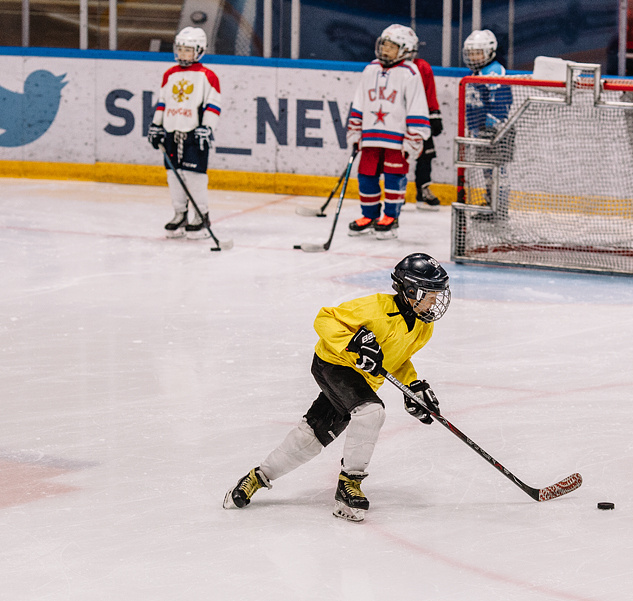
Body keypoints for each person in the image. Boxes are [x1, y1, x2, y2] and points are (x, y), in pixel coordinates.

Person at [223, 253, 451, 522]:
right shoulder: (375, 308)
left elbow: (396, 358)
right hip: (333, 364)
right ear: (411, 290)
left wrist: (412, 386)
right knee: (371, 411)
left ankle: (257, 477)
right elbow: (324, 319)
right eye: (430, 293)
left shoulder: (423, 328)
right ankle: (349, 485)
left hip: (361, 379)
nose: (435, 300)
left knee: (311, 436)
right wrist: (355, 340)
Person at [345, 25, 432, 239]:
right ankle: (369, 215)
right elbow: (359, 102)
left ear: (405, 50)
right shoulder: (370, 69)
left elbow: (417, 107)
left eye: (391, 47)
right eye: (383, 45)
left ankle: (390, 218)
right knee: (366, 177)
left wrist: (414, 138)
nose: (385, 50)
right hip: (371, 137)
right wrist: (355, 131)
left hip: (397, 139)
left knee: (394, 178)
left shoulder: (410, 73)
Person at [147, 27, 221, 238]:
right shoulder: (169, 74)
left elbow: (213, 105)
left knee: (194, 176)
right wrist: (156, 125)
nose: (182, 54)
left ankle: (201, 216)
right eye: (180, 49)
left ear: (199, 51)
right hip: (171, 133)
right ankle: (180, 213)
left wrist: (206, 128)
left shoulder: (208, 76)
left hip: (193, 135)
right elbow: (163, 102)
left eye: (187, 50)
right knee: (173, 175)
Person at [462, 29, 514, 221]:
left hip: (496, 132)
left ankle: (499, 208)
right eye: (471, 53)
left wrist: (491, 126)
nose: (474, 57)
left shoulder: (494, 71)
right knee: (488, 171)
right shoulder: (475, 72)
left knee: (497, 172)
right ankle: (490, 204)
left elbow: (501, 102)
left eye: (478, 53)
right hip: (482, 131)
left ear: (490, 52)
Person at [410, 43, 443, 211]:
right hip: (395, 119)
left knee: (426, 155)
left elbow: (429, 92)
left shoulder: (422, 66)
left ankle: (423, 190)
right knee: (394, 157)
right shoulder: (387, 69)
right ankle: (394, 192)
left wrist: (434, 114)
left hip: (420, 117)